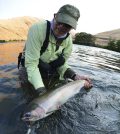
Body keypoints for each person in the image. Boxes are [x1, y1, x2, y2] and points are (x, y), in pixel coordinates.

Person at [18, 4, 92, 97]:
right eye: (59, 22)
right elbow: (31, 65)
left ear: (71, 28)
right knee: (31, 98)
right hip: (29, 68)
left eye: (67, 25)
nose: (61, 27)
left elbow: (61, 65)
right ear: (55, 16)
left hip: (48, 70)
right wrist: (42, 92)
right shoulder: (37, 29)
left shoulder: (68, 42)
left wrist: (75, 76)